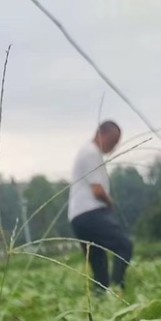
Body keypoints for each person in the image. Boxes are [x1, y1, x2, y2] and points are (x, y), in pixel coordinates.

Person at [68, 120, 133, 293]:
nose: (114, 146)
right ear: (102, 134)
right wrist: (110, 202)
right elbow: (98, 190)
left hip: (78, 216)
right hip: (91, 213)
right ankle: (118, 288)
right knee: (124, 246)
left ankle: (102, 295)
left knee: (99, 263)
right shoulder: (91, 152)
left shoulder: (87, 151)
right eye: (113, 141)